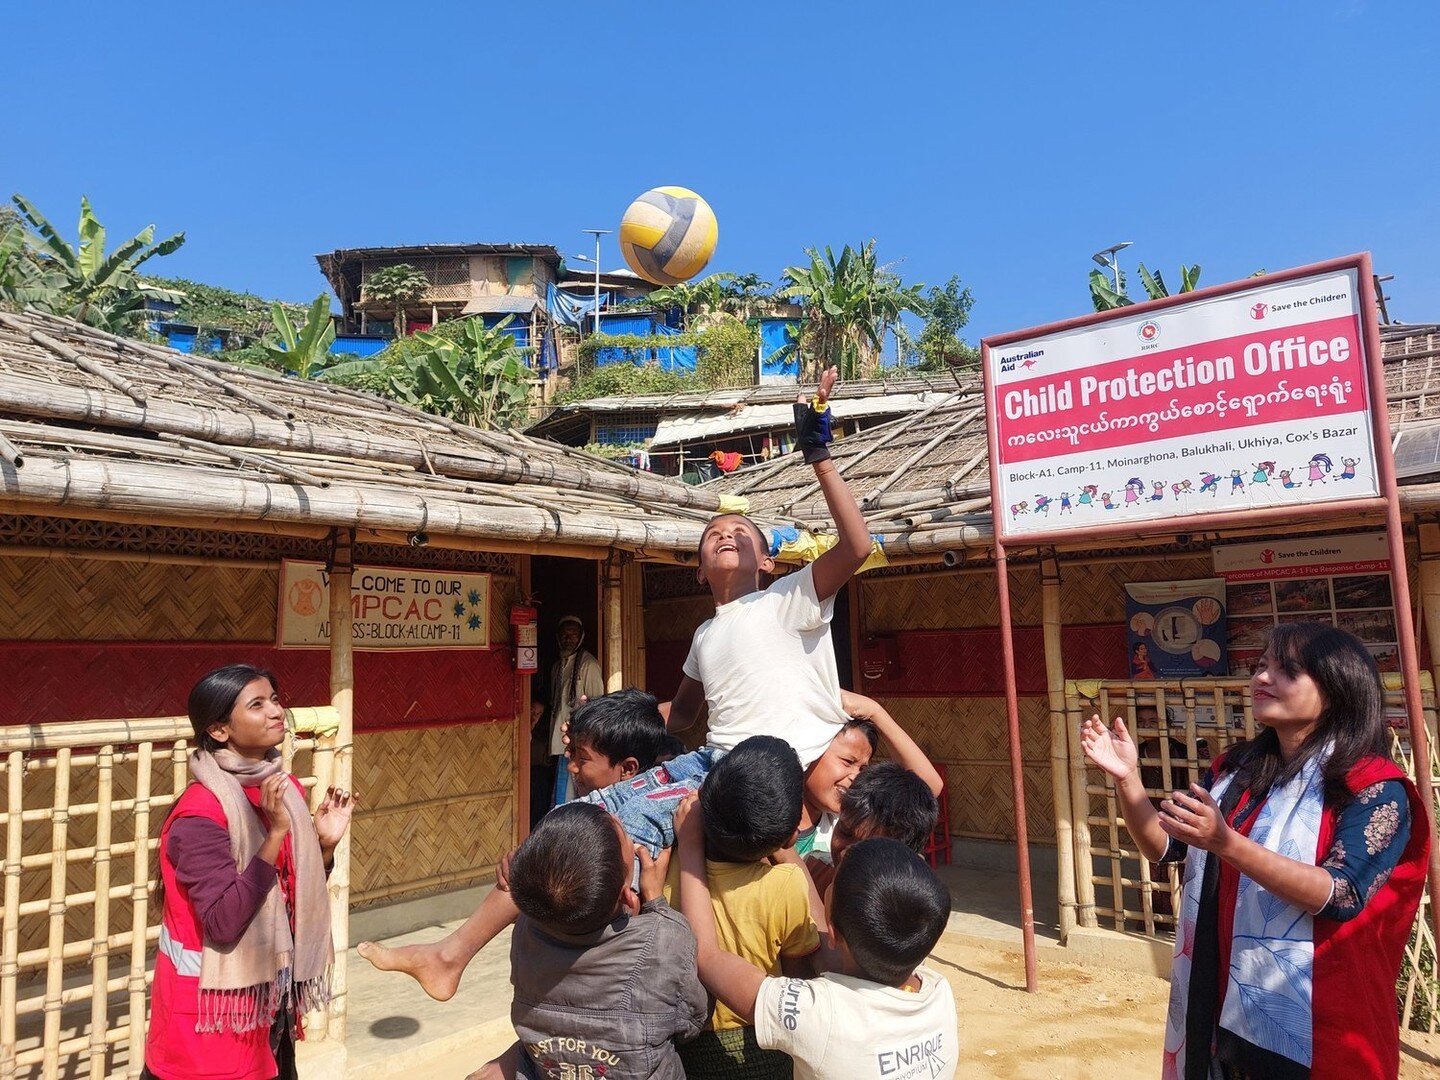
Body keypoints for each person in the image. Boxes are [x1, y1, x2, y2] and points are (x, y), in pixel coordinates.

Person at [1080, 622, 1429, 1079]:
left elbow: (1341, 894)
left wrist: (1227, 843)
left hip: (1321, 1013)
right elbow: (1166, 849)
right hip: (1224, 993)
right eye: (1261, 665)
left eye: (1287, 670)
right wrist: (1127, 779)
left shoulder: (1373, 787)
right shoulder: (1236, 771)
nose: (1262, 678)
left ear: (1338, 686)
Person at [144, 665, 354, 1080]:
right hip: (209, 1027)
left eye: (275, 699)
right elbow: (225, 921)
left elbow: (281, 895)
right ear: (220, 730)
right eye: (257, 704)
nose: (276, 711)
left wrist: (323, 846)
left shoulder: (280, 789)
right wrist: (275, 834)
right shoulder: (200, 813)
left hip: (267, 1020)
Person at [676, 797, 958, 1080]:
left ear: (832, 932)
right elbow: (832, 945)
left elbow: (708, 955)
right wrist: (785, 851)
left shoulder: (818, 1016)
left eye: (833, 883)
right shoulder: (937, 992)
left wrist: (690, 845)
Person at [465, 802, 707, 1080]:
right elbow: (692, 1020)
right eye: (628, 838)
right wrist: (656, 904)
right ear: (628, 896)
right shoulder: (665, 936)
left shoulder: (525, 933)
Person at [661, 737, 820, 1079]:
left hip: (682, 1041)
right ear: (791, 836)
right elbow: (795, 974)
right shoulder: (788, 883)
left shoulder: (667, 866)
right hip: (765, 1038)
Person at [796, 691, 943, 871]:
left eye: (862, 769)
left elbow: (928, 787)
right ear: (810, 753)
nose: (855, 776)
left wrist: (875, 712)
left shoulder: (843, 819)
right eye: (848, 762)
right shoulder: (766, 822)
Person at [543, 614, 604, 807]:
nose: (569, 639)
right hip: (559, 741)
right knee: (562, 790)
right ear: (558, 637)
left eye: (573, 634)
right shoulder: (557, 668)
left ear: (581, 637)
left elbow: (596, 705)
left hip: (577, 741)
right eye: (565, 635)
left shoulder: (589, 665)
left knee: (570, 795)